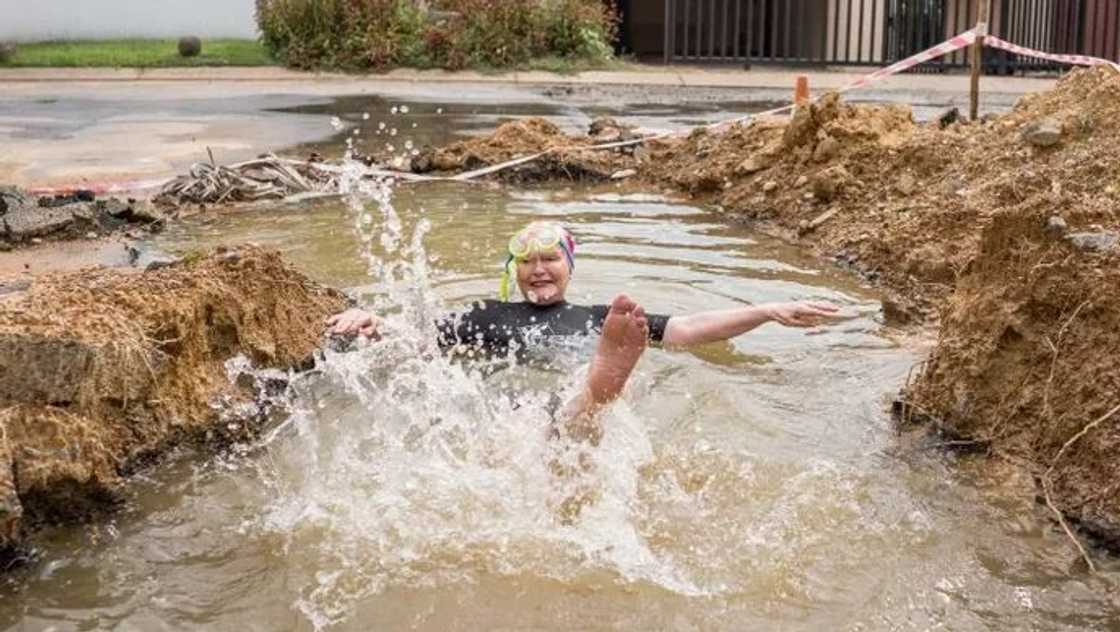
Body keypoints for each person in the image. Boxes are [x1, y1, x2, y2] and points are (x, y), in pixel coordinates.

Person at [327, 221, 840, 442]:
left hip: (576, 382)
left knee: (581, 415)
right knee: (524, 425)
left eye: (550, 258)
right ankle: (598, 389)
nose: (539, 269)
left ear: (569, 265)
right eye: (526, 261)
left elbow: (685, 329)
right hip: (514, 405)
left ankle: (599, 388)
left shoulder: (601, 318)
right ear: (514, 271)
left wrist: (767, 309)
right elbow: (419, 339)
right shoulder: (486, 315)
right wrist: (373, 320)